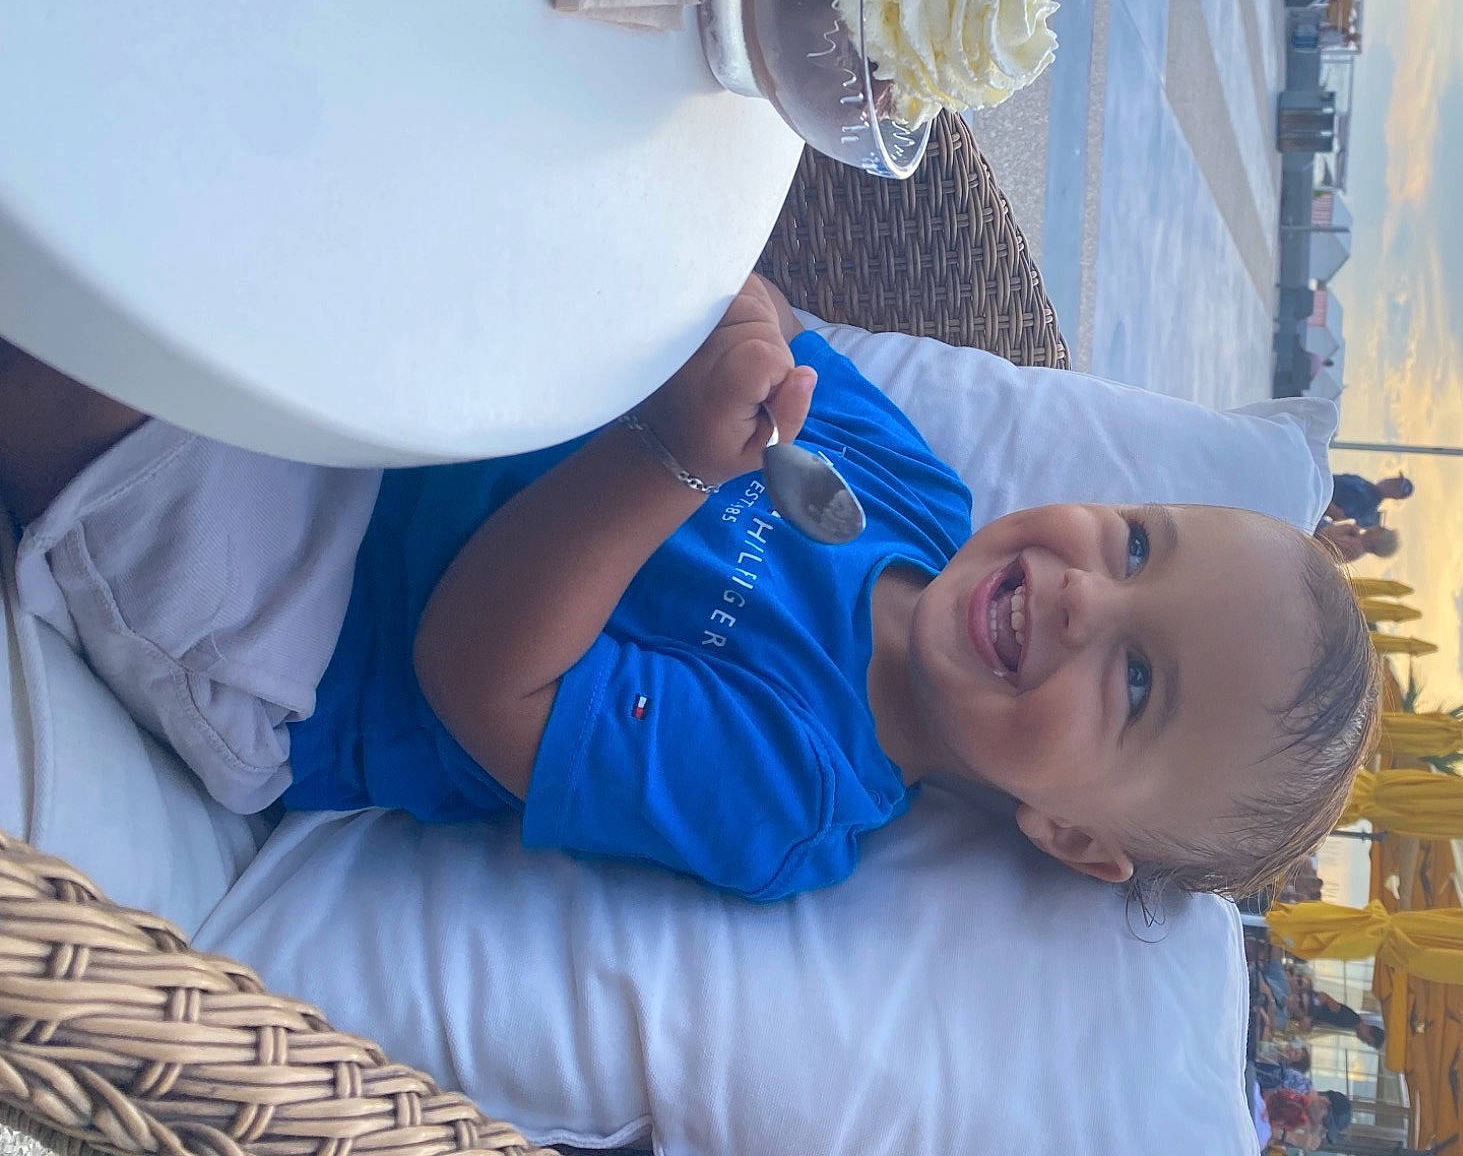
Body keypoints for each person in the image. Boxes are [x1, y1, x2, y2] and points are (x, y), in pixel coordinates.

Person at [1, 279, 1380, 905]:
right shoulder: (922, 495)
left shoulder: (798, 792)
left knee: (78, 352)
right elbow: (760, 311)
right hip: (410, 404)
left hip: (310, 633)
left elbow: (477, 678)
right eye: (1135, 546)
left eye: (1136, 683)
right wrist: (741, 332)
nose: (1086, 600)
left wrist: (669, 456)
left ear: (1073, 836)